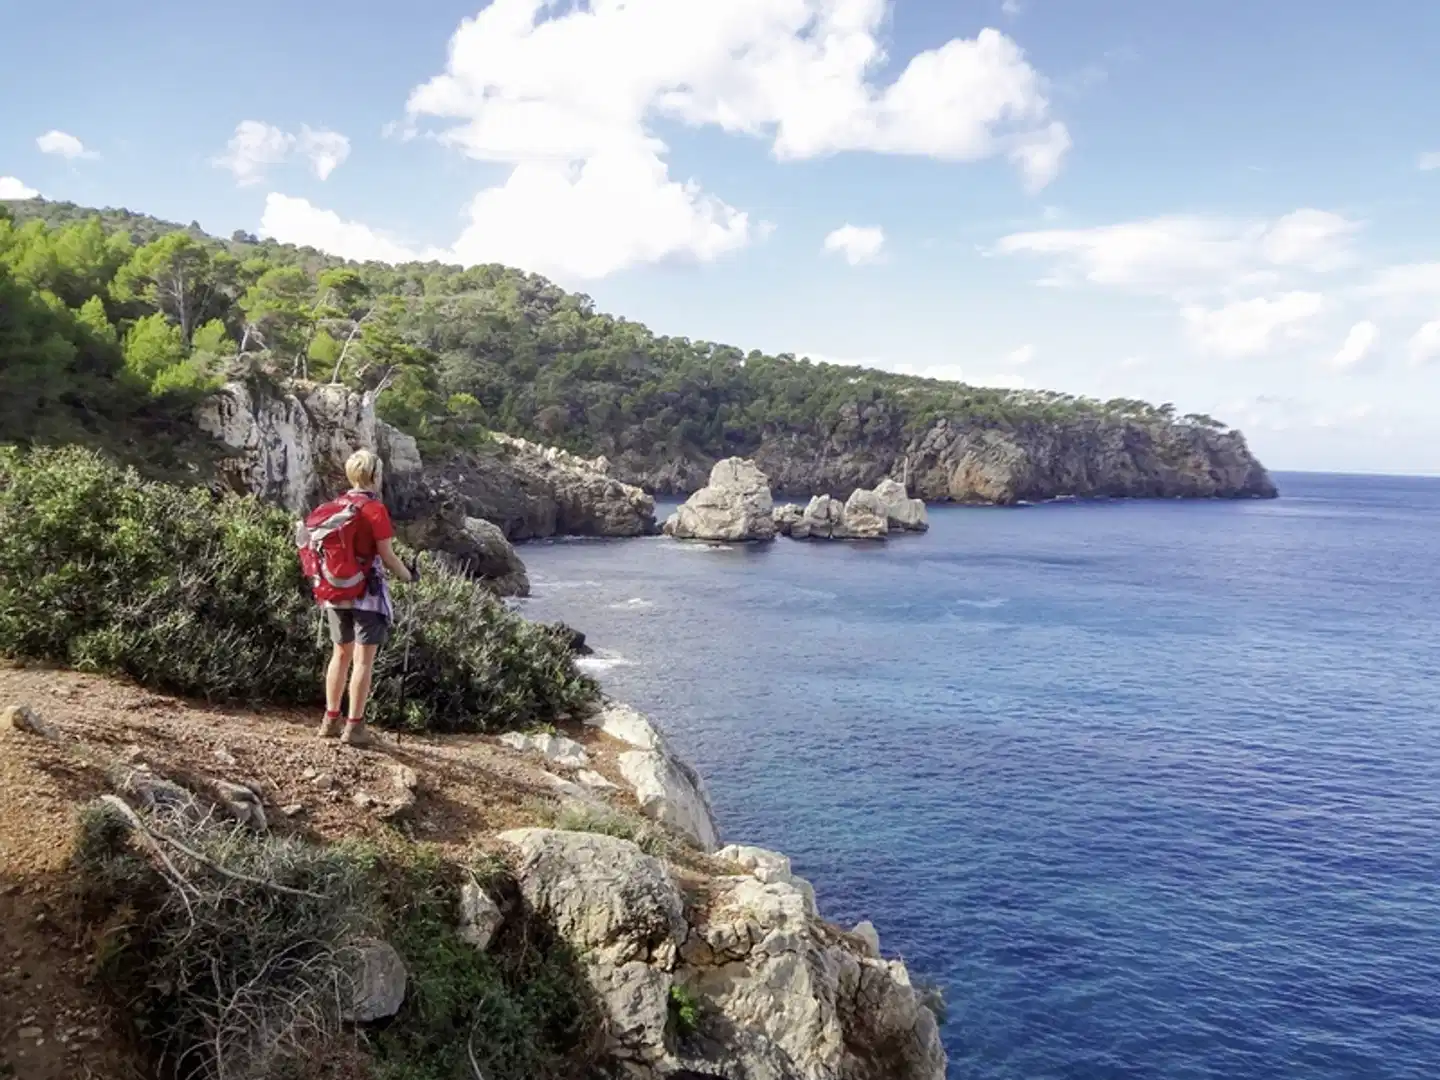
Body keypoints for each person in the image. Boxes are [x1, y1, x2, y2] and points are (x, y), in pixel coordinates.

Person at [318, 449, 415, 746]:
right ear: (374, 476)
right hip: (366, 594)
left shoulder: (336, 506)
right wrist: (408, 576)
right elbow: (386, 555)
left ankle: (330, 720)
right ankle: (355, 727)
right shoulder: (375, 509)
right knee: (363, 661)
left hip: (335, 590)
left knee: (340, 654)